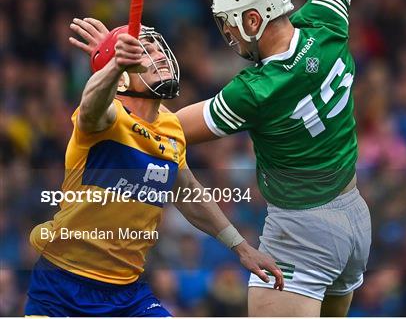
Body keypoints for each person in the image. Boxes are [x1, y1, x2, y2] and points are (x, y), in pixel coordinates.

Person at [71, 0, 371, 317]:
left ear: (253, 20)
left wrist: (116, 60)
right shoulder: (326, 22)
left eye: (231, 26)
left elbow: (158, 126)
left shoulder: (254, 91)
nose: (228, 37)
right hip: (355, 219)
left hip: (301, 232)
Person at [26, 25, 282, 317]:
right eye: (144, 51)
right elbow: (91, 107)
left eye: (158, 47)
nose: (158, 54)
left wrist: (241, 247)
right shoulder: (108, 118)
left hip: (127, 291)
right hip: (61, 286)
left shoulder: (172, 127)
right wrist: (113, 65)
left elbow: (188, 193)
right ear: (121, 77)